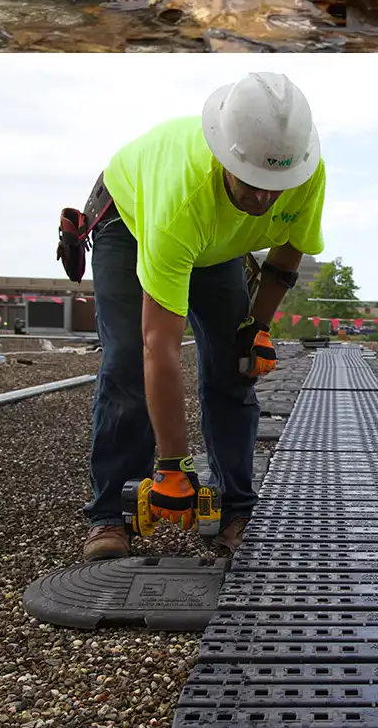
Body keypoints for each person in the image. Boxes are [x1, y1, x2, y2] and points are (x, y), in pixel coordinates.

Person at [70, 71, 326, 562]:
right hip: (132, 217)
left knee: (235, 362)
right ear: (227, 158)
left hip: (217, 238)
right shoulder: (180, 199)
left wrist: (257, 326)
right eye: (252, 184)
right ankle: (111, 513)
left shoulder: (304, 172)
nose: (265, 199)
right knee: (126, 361)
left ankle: (236, 507)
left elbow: (288, 251)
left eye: (276, 186)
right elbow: (158, 346)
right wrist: (173, 463)